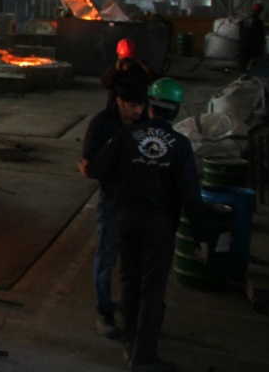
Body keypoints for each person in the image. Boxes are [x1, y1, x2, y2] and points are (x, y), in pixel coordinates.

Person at [85, 78, 208, 372]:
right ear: (176, 110)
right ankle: (144, 356)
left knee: (130, 281)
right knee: (152, 290)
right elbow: (190, 193)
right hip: (159, 226)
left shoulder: (127, 136)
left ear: (150, 106)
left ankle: (130, 343)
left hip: (126, 221)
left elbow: (95, 168)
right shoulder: (179, 145)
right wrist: (201, 237)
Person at [77, 74, 148, 340]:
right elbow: (88, 164)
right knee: (107, 256)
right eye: (132, 105)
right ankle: (104, 310)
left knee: (136, 258)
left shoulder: (146, 122)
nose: (138, 111)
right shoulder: (102, 124)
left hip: (140, 200)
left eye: (141, 104)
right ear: (119, 101)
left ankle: (132, 307)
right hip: (112, 199)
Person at [100, 38, 154, 105]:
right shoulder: (114, 71)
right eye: (125, 60)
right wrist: (116, 71)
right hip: (118, 106)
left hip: (136, 104)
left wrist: (147, 70)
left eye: (129, 60)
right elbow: (105, 84)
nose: (127, 63)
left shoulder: (140, 68)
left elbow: (152, 81)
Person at [238, 3, 265, 71]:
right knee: (254, 63)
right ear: (260, 11)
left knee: (244, 62)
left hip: (243, 44)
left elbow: (240, 32)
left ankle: (243, 75)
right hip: (253, 46)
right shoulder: (258, 22)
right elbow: (260, 35)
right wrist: (262, 43)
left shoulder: (243, 20)